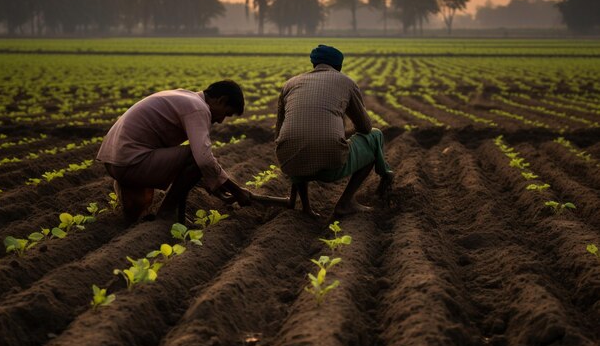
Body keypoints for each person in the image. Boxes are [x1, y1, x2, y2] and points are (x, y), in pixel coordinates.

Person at [97, 80, 252, 224]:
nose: (220, 121)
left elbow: (191, 169)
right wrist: (237, 191)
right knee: (194, 157)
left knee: (137, 214)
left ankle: (169, 214)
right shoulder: (198, 108)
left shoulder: (186, 97)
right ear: (221, 100)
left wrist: (215, 186)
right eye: (226, 113)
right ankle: (167, 213)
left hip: (113, 160)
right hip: (130, 162)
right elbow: (203, 160)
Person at [275, 45, 393, 217]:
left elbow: (279, 133)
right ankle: (345, 203)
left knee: (294, 140)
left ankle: (306, 207)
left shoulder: (290, 84)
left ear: (314, 63)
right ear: (339, 66)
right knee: (375, 136)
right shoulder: (346, 82)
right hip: (331, 164)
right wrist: (344, 133)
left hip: (290, 162)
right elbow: (365, 128)